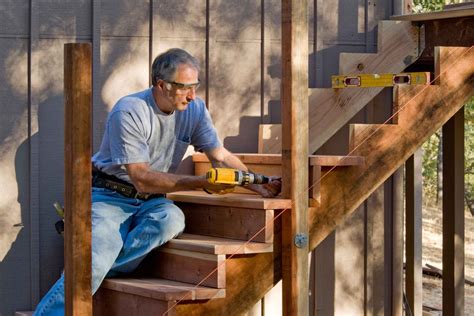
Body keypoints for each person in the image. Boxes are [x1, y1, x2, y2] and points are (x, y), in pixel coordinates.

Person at [34, 48, 281, 315]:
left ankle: (98, 264)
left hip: (153, 202)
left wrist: (257, 182)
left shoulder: (194, 109)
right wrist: (201, 182)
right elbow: (141, 178)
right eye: (185, 87)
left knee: (171, 220)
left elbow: (219, 155)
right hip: (110, 197)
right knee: (94, 261)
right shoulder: (130, 110)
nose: (193, 95)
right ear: (161, 85)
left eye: (195, 86)